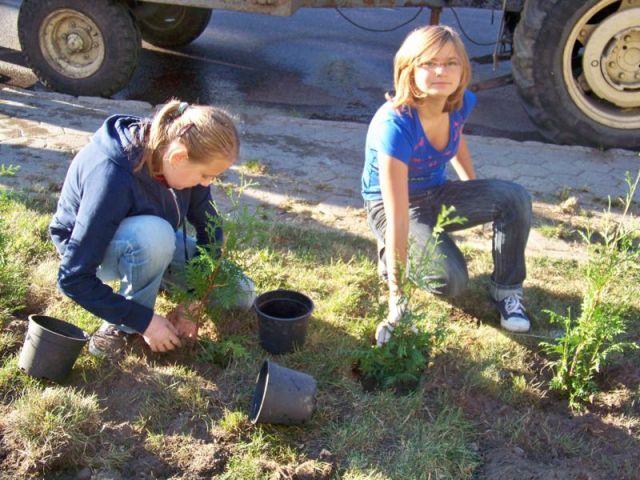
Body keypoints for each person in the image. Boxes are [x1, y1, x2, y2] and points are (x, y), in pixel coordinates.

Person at [361, 25, 532, 346]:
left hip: (437, 194)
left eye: (451, 62)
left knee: (514, 198)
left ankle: (506, 291)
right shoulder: (394, 125)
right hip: (392, 206)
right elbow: (397, 214)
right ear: (408, 70)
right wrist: (397, 299)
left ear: (463, 68)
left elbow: (456, 140)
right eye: (428, 63)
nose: (441, 71)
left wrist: (473, 187)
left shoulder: (460, 102)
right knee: (449, 281)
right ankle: (391, 258)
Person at [50, 100, 255, 358]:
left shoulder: (179, 156)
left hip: (152, 242)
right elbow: (73, 276)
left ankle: (153, 276)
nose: (207, 183)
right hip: (97, 251)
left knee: (241, 292)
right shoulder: (112, 175)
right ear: (178, 157)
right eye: (205, 175)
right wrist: (145, 320)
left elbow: (210, 230)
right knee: (155, 235)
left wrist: (194, 299)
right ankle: (123, 328)